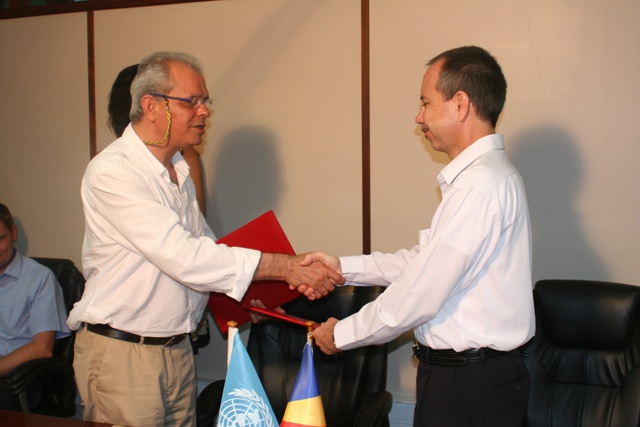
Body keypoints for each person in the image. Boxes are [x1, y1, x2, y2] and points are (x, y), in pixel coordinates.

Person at [68, 51, 342, 427]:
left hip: (176, 351)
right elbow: (186, 258)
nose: (204, 112)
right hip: (125, 356)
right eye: (191, 101)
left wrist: (255, 299)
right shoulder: (113, 172)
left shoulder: (178, 169)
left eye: (205, 101)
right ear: (151, 106)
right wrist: (286, 265)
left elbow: (210, 254)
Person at [305, 46, 535, 426]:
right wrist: (341, 267)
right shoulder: (486, 179)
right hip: (468, 380)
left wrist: (342, 333)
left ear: (460, 104)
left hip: (469, 386)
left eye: (426, 103)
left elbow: (418, 296)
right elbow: (422, 262)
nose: (419, 116)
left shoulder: (479, 186)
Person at [0, 203, 70, 410]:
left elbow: (43, 348)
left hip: (17, 380)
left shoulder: (39, 278)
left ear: (13, 233)